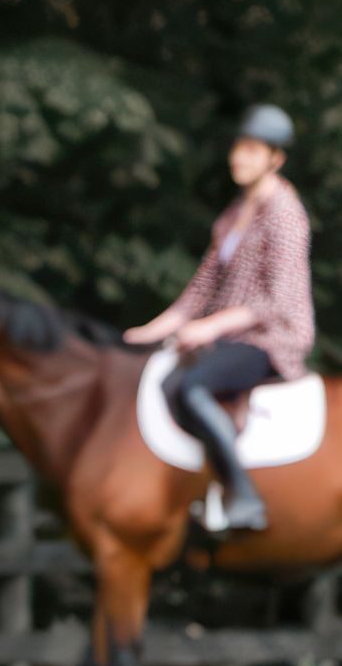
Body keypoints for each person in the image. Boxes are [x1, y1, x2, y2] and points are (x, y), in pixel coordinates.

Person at [121, 104, 316, 533]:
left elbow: (279, 300)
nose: (237, 158)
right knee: (161, 380)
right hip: (231, 335)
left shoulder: (285, 214)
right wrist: (153, 329)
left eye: (250, 150)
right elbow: (202, 287)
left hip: (271, 338)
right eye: (237, 149)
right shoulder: (233, 215)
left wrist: (212, 325)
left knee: (191, 385)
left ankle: (244, 495)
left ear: (275, 159)